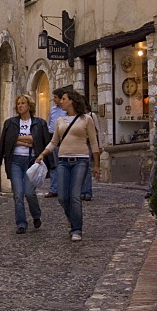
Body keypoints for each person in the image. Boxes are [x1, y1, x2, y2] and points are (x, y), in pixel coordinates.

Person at [35, 89, 99, 242]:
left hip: (81, 160)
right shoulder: (60, 121)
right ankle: (72, 219)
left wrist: (96, 165)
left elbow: (94, 142)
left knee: (75, 195)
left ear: (71, 100)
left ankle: (76, 229)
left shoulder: (86, 119)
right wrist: (43, 154)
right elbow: (54, 141)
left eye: (64, 99)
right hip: (63, 161)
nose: (61, 101)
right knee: (63, 197)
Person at [0, 95, 51, 234]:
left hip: (32, 161)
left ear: (29, 105)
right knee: (18, 194)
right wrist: (27, 141)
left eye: (23, 103)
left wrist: (18, 139)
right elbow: (7, 142)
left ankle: (36, 215)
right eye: (18, 104)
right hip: (15, 160)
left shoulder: (39, 123)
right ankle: (21, 224)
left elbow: (39, 141)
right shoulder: (10, 123)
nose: (20, 106)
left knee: (29, 192)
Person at [45, 87, 70, 198]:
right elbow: (49, 122)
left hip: (64, 138)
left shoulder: (67, 111)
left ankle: (65, 189)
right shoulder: (52, 110)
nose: (53, 99)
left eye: (55, 97)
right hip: (52, 137)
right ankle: (54, 189)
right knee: (53, 165)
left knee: (64, 165)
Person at [81, 103, 101, 201]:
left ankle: (87, 191)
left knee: (86, 166)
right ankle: (82, 191)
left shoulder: (92, 116)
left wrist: (99, 145)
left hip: (88, 143)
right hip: (80, 143)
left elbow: (98, 130)